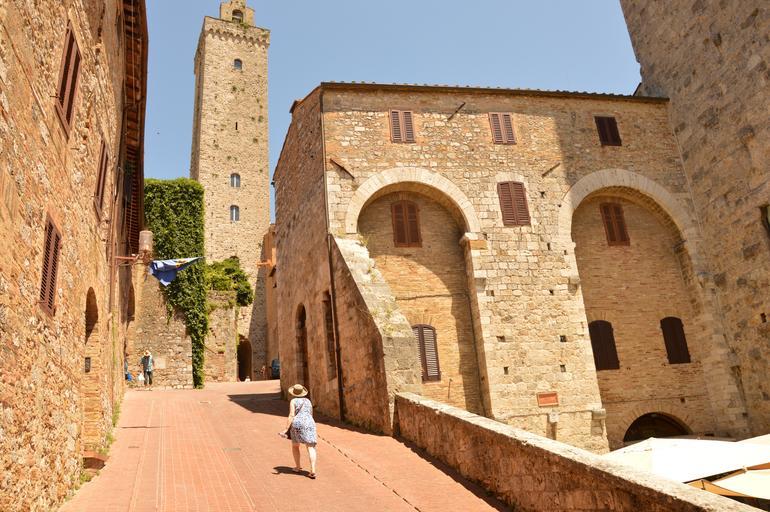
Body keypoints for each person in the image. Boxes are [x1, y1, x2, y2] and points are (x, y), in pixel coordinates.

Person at [282, 384, 317, 479]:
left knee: (295, 445)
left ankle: (298, 467)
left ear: (294, 393)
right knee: (311, 447)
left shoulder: (293, 401)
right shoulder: (308, 401)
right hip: (309, 422)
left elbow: (291, 415)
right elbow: (311, 414)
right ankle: (313, 470)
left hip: (297, 423)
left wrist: (286, 429)